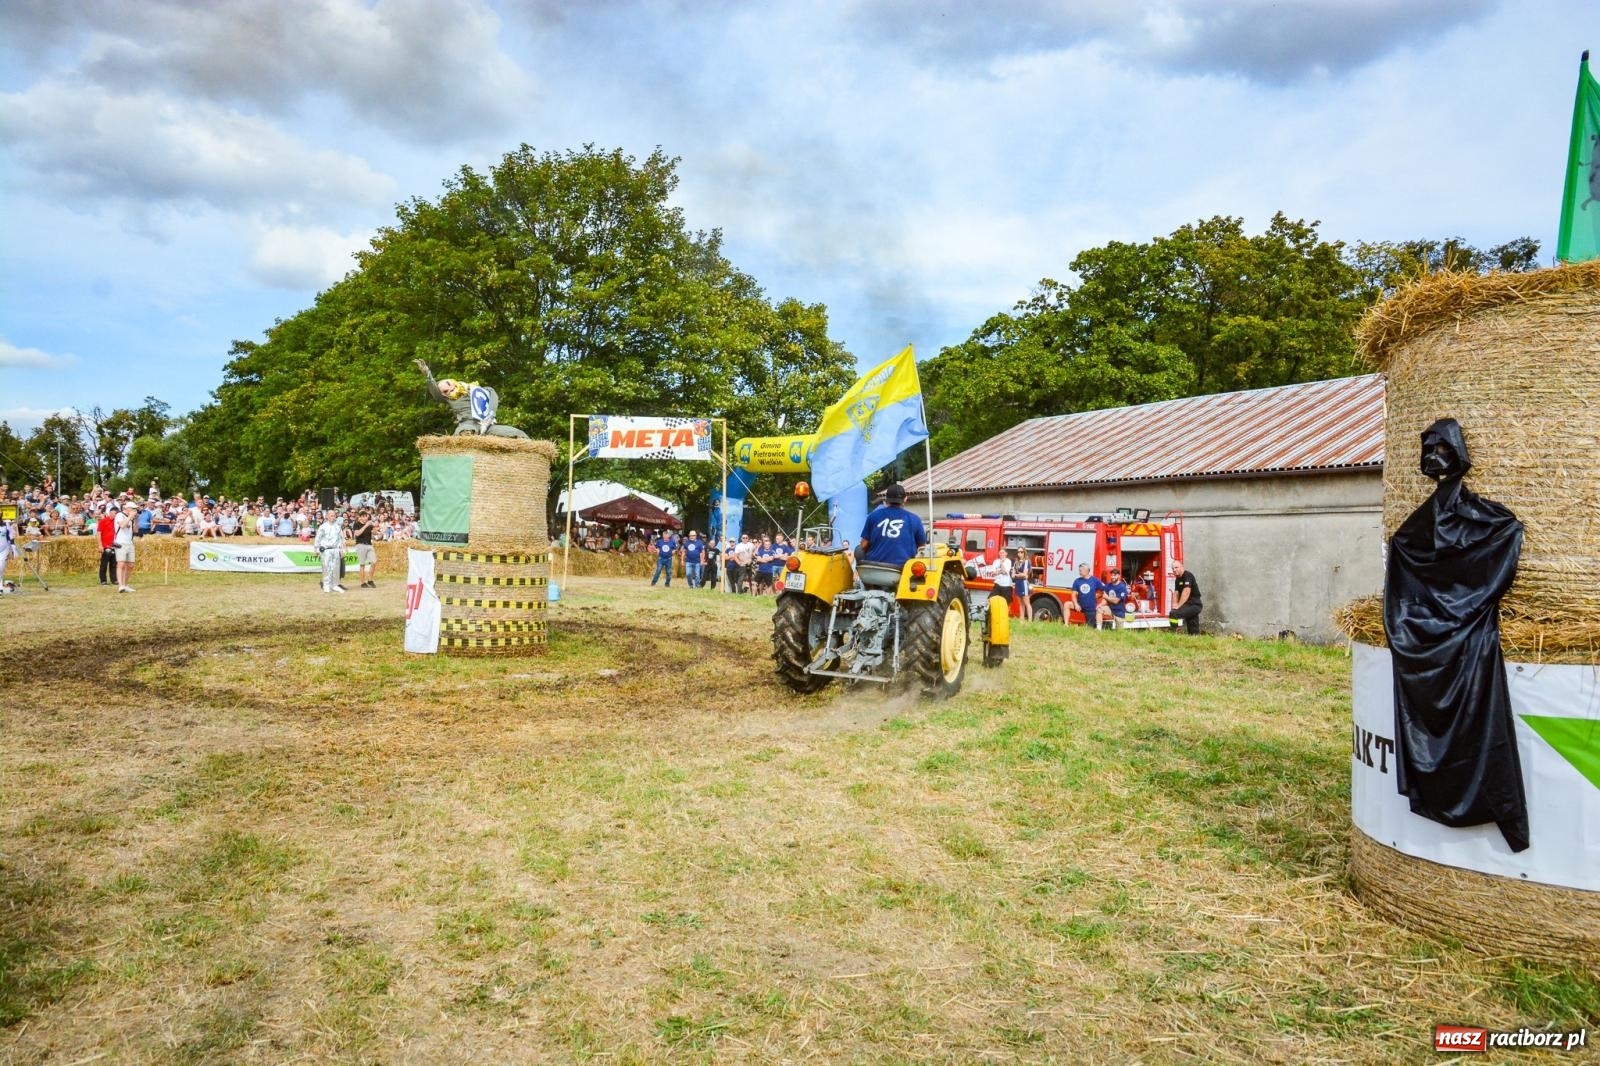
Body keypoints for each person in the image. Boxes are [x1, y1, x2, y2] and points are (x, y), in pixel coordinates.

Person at [858, 483, 926, 568]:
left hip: (873, 567)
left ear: (886, 499)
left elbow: (863, 545)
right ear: (905, 499)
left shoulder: (873, 516)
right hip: (902, 569)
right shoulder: (914, 519)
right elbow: (922, 548)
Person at [314, 509, 347, 593]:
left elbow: (341, 539)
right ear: (327, 517)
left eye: (334, 516)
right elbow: (318, 538)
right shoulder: (323, 527)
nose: (333, 517)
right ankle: (326, 585)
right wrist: (316, 549)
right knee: (326, 567)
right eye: (331, 516)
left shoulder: (337, 527)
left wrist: (343, 550)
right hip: (326, 550)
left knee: (336, 568)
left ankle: (335, 585)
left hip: (335, 550)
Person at [1169, 560, 1203, 634]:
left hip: (1194, 604)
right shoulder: (1178, 579)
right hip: (1188, 605)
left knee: (1173, 614)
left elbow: (1186, 592)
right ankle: (1195, 637)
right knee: (1193, 627)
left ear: (1182, 567)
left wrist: (1178, 606)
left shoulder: (1188, 575)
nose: (1174, 570)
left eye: (1176, 567)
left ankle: (1174, 633)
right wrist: (1174, 604)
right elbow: (1176, 593)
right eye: (1173, 568)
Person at [350, 508, 378, 588]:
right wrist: (366, 525)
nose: (366, 518)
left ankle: (370, 580)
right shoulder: (356, 524)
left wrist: (374, 527)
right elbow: (357, 534)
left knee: (374, 562)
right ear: (360, 517)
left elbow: (375, 533)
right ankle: (363, 583)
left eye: (367, 516)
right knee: (362, 564)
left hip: (369, 545)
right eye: (364, 516)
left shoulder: (370, 525)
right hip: (360, 545)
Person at [113, 501, 137, 592]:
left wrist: (135, 519)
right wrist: (130, 517)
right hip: (120, 542)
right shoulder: (119, 515)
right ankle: (121, 585)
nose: (135, 510)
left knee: (131, 565)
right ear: (128, 508)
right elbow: (122, 525)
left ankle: (125, 584)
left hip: (129, 543)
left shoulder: (131, 518)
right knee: (121, 563)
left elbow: (136, 530)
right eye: (133, 509)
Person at [1071, 563, 1103, 629]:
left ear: (1087, 570)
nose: (1079, 572)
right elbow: (1073, 594)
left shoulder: (1095, 580)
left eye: (1081, 570)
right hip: (1080, 606)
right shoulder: (1077, 581)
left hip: (1090, 609)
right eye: (1079, 570)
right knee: (1067, 604)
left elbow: (1103, 590)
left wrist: (1098, 595)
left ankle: (1098, 629)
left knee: (1090, 627)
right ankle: (1066, 625)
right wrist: (1076, 604)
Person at [96, 504, 117, 586]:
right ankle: (103, 580)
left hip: (114, 545)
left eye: (117, 513)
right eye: (114, 513)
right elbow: (98, 533)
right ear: (110, 513)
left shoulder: (117, 522)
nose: (116, 515)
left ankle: (114, 580)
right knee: (104, 564)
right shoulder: (103, 521)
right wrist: (100, 545)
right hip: (105, 546)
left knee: (114, 564)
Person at [1013, 548, 1033, 621]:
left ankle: (1030, 620)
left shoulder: (1027, 561)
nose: (1020, 553)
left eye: (1021, 552)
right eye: (1018, 552)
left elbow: (1024, 574)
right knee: (1021, 603)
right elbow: (1012, 575)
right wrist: (1017, 575)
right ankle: (1021, 619)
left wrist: (1016, 575)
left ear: (1024, 553)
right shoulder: (1016, 562)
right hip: (1017, 583)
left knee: (1027, 602)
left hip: (1023, 583)